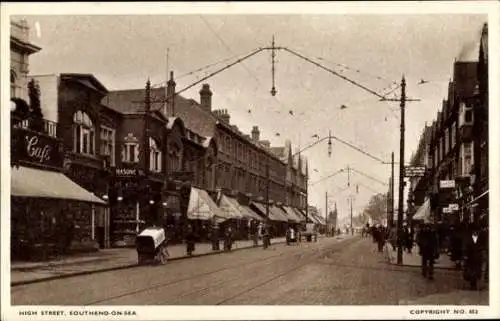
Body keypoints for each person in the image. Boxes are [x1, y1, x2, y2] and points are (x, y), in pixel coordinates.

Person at [462, 224, 486, 290]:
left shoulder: (481, 238)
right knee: (471, 271)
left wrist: (483, 254)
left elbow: (483, 246)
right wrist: (465, 255)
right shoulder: (468, 238)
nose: (475, 232)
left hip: (478, 256)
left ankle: (475, 283)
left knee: (477, 271)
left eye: (476, 231)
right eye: (474, 231)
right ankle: (472, 284)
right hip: (470, 257)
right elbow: (465, 247)